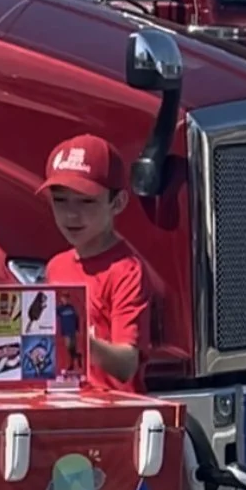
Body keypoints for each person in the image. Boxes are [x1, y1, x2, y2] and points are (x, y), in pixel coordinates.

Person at [38, 133, 153, 394]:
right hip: (64, 403)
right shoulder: (56, 266)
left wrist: (76, 340)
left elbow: (126, 364)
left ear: (118, 203)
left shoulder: (126, 270)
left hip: (113, 415)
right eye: (60, 200)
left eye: (87, 201)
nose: (71, 214)